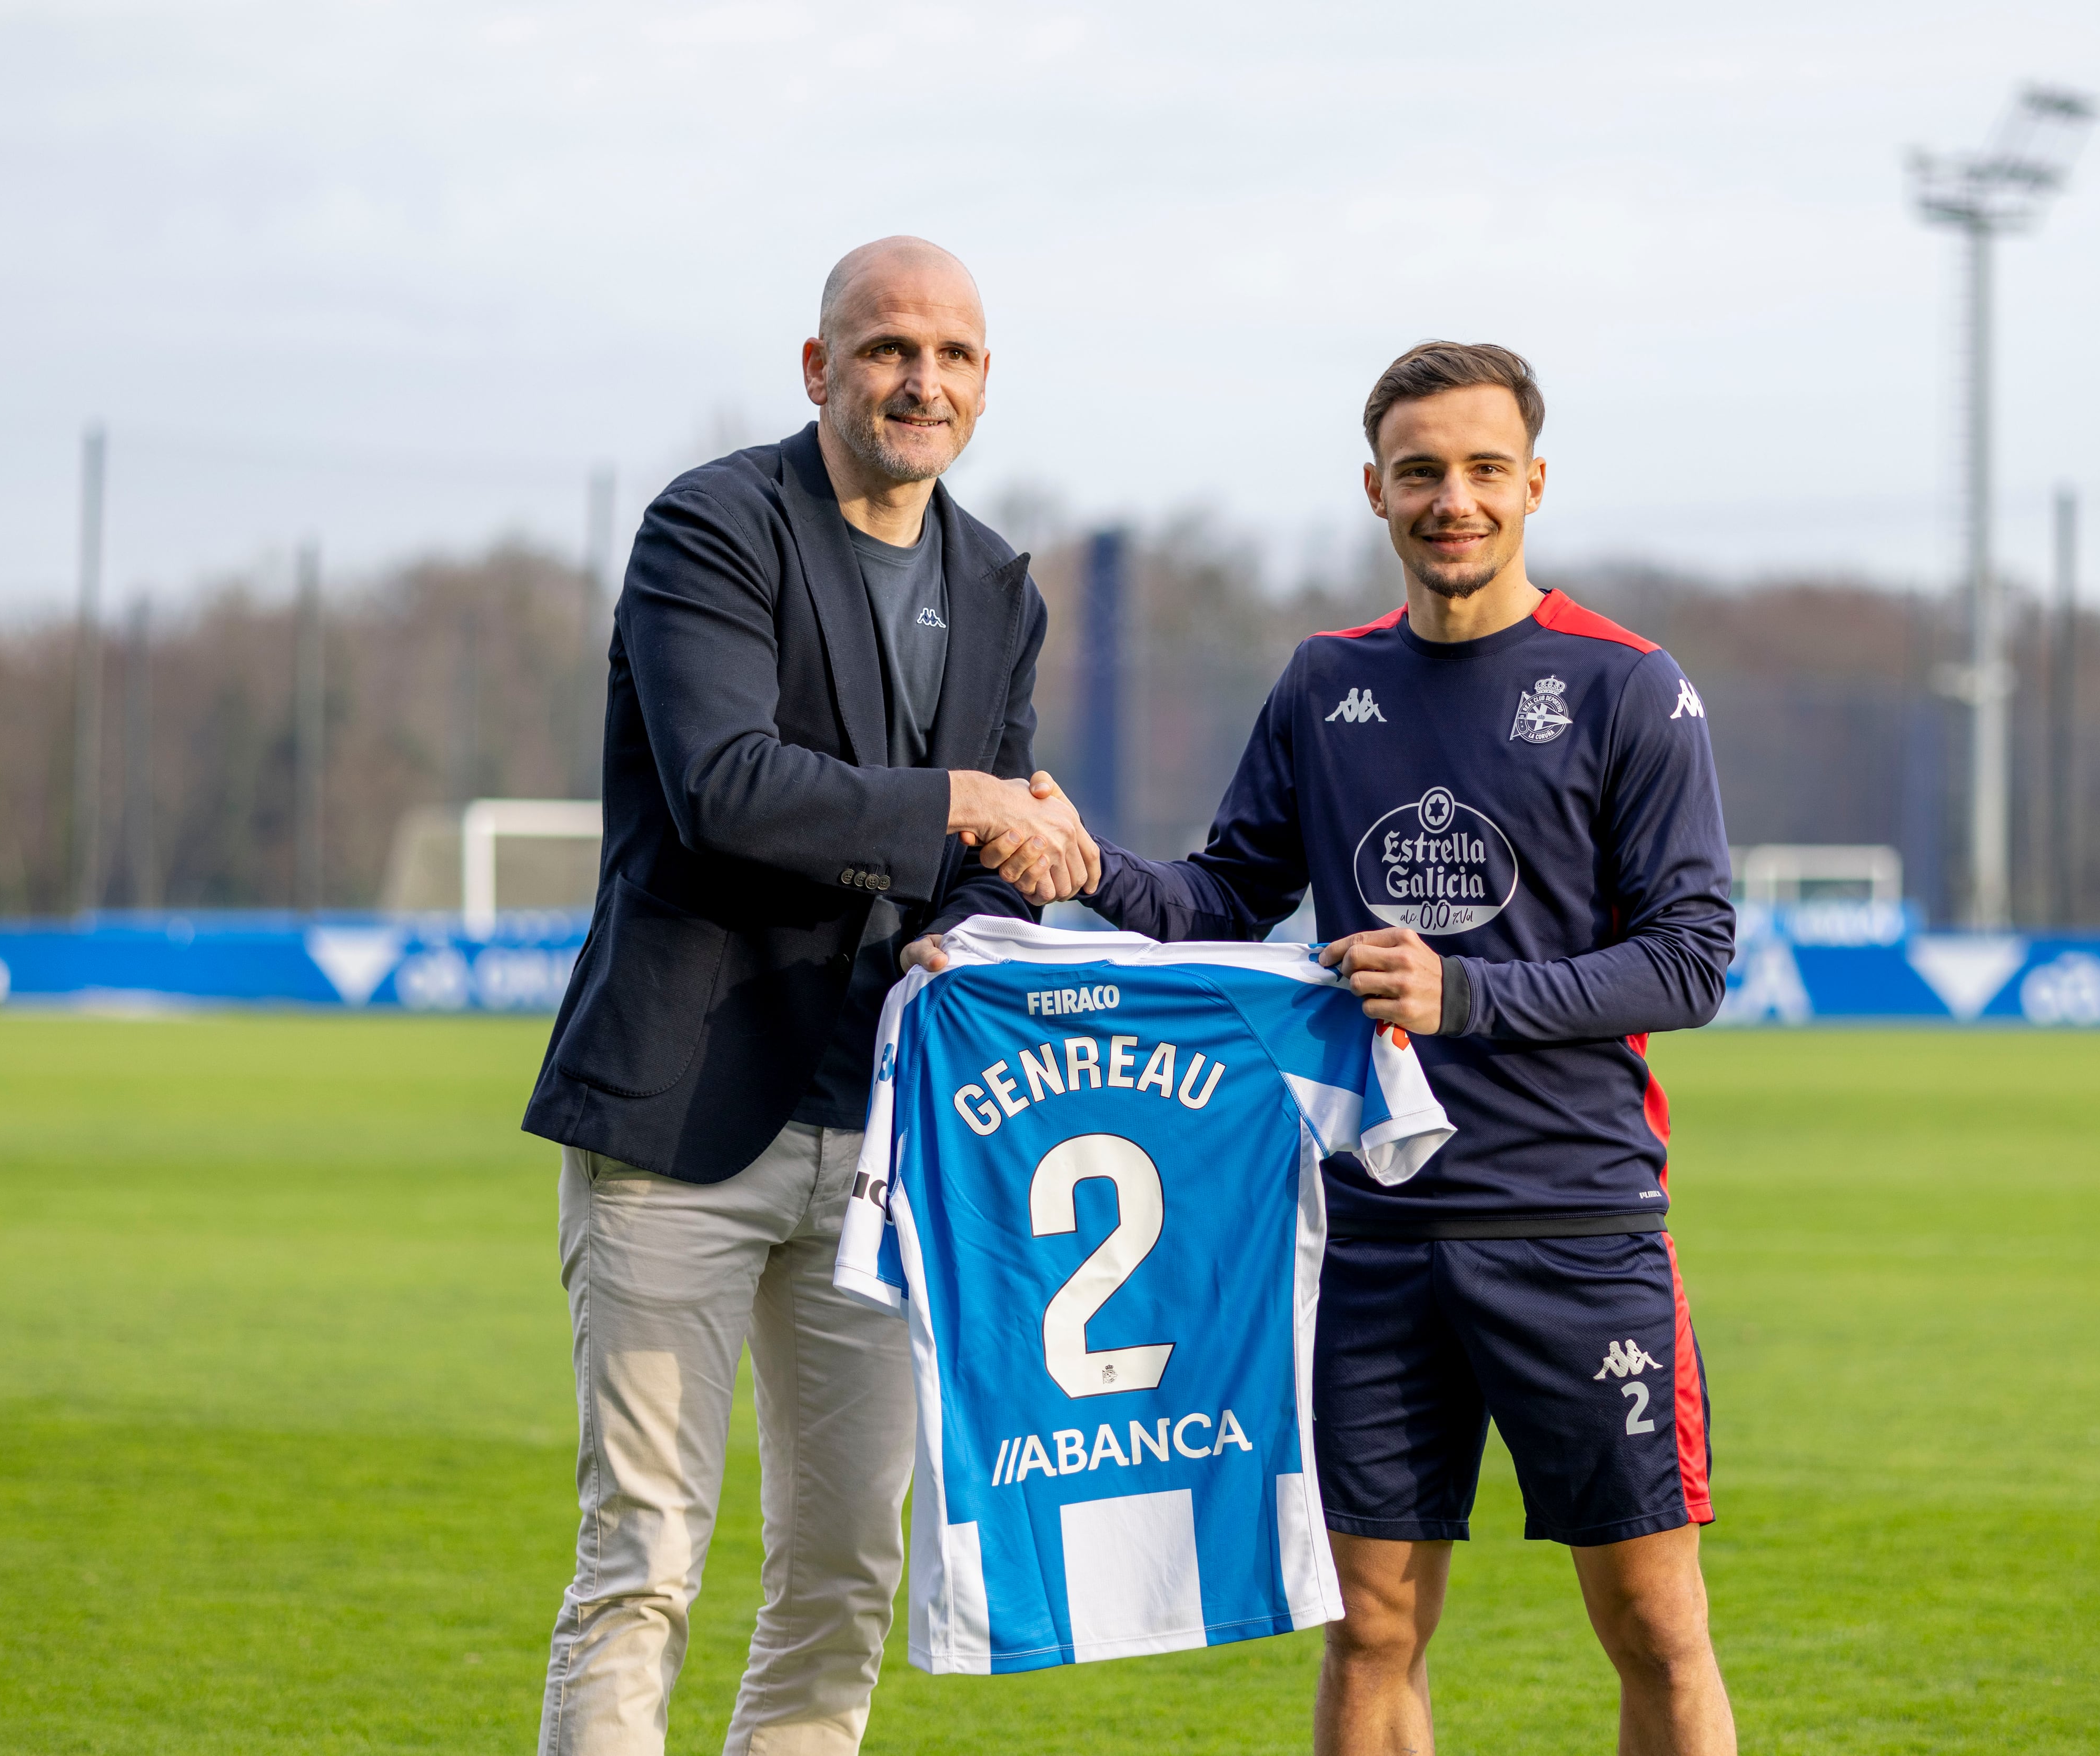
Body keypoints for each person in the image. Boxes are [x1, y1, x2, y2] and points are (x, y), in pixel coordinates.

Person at [981, 342, 1739, 1754]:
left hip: (1574, 1220)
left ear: (1534, 483)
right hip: (1372, 1229)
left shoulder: (1630, 687)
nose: (1454, 499)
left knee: (1653, 1624)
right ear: (1377, 492)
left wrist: (1470, 997)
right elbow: (1221, 896)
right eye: (1422, 473)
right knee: (1372, 1627)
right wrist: (1084, 858)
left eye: (1483, 471)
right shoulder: (1328, 686)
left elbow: (1693, 958)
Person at [520, 236, 1097, 1756]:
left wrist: (1016, 881)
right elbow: (725, 789)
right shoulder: (710, 528)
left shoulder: (997, 583)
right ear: (818, 367)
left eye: (955, 355)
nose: (923, 380)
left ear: (985, 381)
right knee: (641, 1567)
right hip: (679, 1118)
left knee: (846, 1573)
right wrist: (976, 800)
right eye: (888, 347)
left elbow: (960, 859)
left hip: (888, 1150)